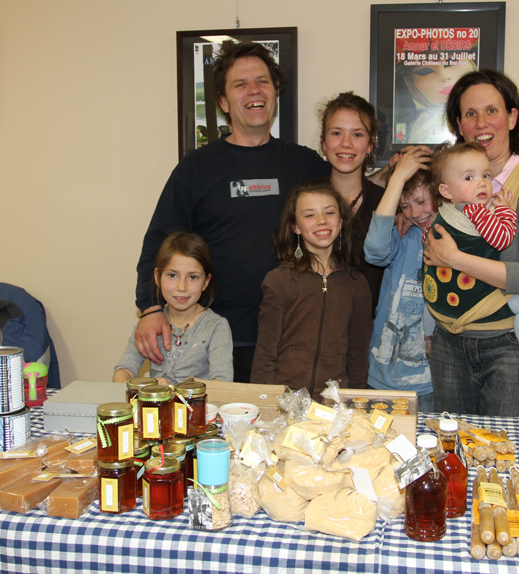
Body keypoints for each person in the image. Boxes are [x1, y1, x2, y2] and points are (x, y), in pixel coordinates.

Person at [133, 40, 329, 383]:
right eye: (241, 84)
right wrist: (150, 309)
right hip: (213, 339)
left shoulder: (305, 163)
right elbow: (160, 243)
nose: (254, 90)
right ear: (224, 102)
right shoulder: (196, 168)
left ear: (275, 93)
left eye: (263, 81)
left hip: (291, 335)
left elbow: (349, 200)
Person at [423, 69, 519, 417]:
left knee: (507, 456)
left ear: (512, 118)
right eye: (470, 113)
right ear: (459, 124)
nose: (481, 122)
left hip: (512, 347)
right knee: (452, 452)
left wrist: (456, 259)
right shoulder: (453, 183)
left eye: (492, 110)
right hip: (450, 342)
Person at [425, 141, 519, 382]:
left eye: (485, 175)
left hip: (446, 300)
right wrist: (504, 209)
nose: (481, 182)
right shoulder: (476, 211)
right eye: (469, 178)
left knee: (426, 292)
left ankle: (428, 340)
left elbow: (427, 239)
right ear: (447, 191)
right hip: (473, 298)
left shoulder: (444, 213)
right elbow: (501, 238)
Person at [251, 182, 371, 394]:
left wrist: (357, 401)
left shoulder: (356, 284)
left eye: (329, 212)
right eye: (309, 215)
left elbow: (358, 355)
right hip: (285, 401)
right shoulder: (279, 281)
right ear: (295, 227)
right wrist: (264, 401)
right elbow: (265, 354)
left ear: (341, 222)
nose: (321, 221)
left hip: (334, 404)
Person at [364, 146, 437, 411]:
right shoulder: (401, 232)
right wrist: (395, 182)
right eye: (405, 205)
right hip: (384, 375)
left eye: (421, 201)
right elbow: (374, 251)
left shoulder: (457, 238)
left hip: (431, 382)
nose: (415, 213)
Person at [114, 231, 232, 384]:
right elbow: (124, 370)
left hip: (198, 407)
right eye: (172, 275)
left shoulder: (216, 326)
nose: (181, 287)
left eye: (193, 277)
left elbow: (222, 381)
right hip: (156, 407)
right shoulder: (149, 325)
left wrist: (174, 393)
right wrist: (140, 389)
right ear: (157, 276)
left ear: (205, 282)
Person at [319, 92, 386, 309]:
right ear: (323, 142)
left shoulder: (386, 203)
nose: (346, 143)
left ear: (370, 145)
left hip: (373, 332)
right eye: (336, 133)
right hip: (316, 327)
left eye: (357, 135)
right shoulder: (305, 201)